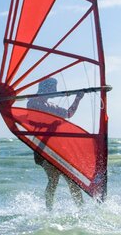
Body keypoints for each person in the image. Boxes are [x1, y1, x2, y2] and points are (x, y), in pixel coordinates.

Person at [27, 78, 84, 210]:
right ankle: (49, 211)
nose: (55, 91)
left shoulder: (52, 106)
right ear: (45, 89)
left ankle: (81, 210)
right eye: (53, 89)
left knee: (71, 181)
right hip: (43, 149)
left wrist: (77, 99)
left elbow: (68, 114)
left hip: (57, 150)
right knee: (54, 179)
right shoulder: (32, 102)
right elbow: (35, 119)